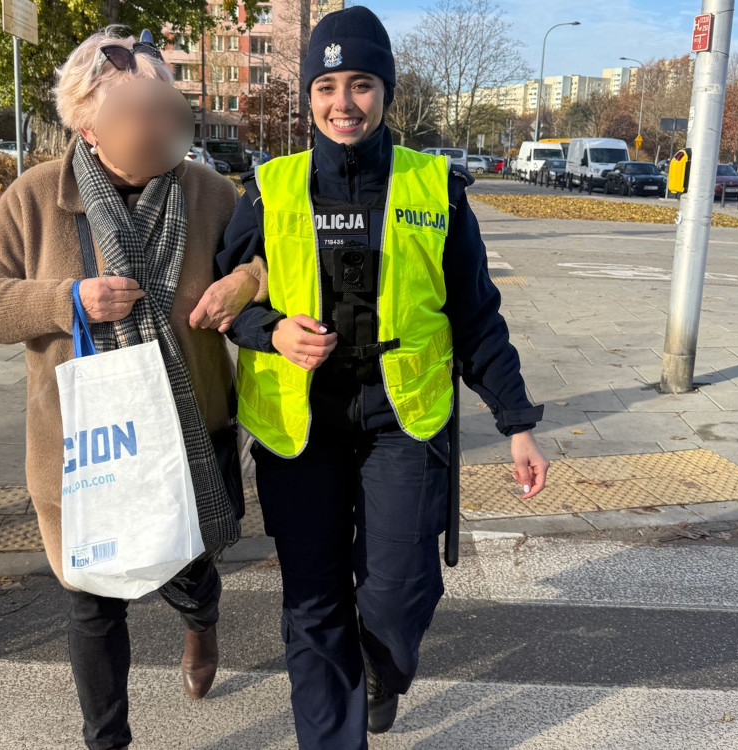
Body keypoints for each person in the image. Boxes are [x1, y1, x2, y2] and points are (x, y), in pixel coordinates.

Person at [212, 7, 549, 748]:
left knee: (398, 596)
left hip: (403, 424)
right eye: (327, 86)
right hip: (300, 432)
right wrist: (270, 330)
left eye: (361, 84)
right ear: (308, 98)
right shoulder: (269, 190)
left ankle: (383, 672)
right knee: (314, 605)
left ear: (386, 92)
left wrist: (517, 422)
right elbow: (220, 304)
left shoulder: (438, 188)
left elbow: (476, 316)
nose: (343, 103)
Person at [0, 29, 267, 750]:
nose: (160, 127)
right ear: (88, 126)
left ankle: (198, 620)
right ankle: (108, 741)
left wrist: (249, 280)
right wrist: (65, 301)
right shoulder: (35, 198)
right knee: (92, 607)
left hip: (191, 437)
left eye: (166, 109)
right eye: (139, 113)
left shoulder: (210, 192)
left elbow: (276, 264)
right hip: (84, 448)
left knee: (190, 572)